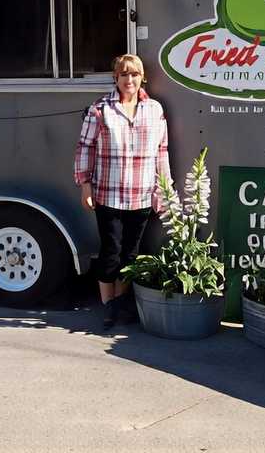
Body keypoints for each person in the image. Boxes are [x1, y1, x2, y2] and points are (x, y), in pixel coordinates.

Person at [74, 53, 171, 329]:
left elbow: (161, 151)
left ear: (143, 78)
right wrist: (85, 185)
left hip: (141, 194)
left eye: (135, 74)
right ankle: (108, 306)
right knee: (111, 252)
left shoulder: (154, 109)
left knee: (131, 254)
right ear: (116, 78)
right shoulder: (100, 109)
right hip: (108, 193)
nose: (130, 79)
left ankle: (121, 301)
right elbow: (85, 147)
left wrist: (163, 189)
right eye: (124, 74)